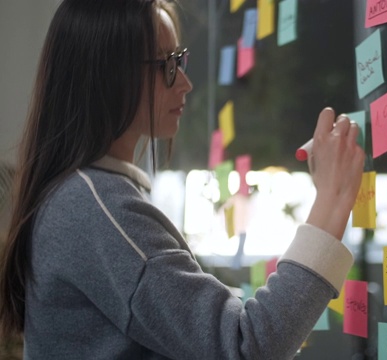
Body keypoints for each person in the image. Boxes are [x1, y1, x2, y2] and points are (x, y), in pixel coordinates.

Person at [0, 0, 364, 358]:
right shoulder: (97, 211)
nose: (186, 83)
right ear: (108, 74)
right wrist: (332, 201)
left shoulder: (88, 196)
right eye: (167, 65)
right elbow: (249, 346)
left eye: (181, 59)